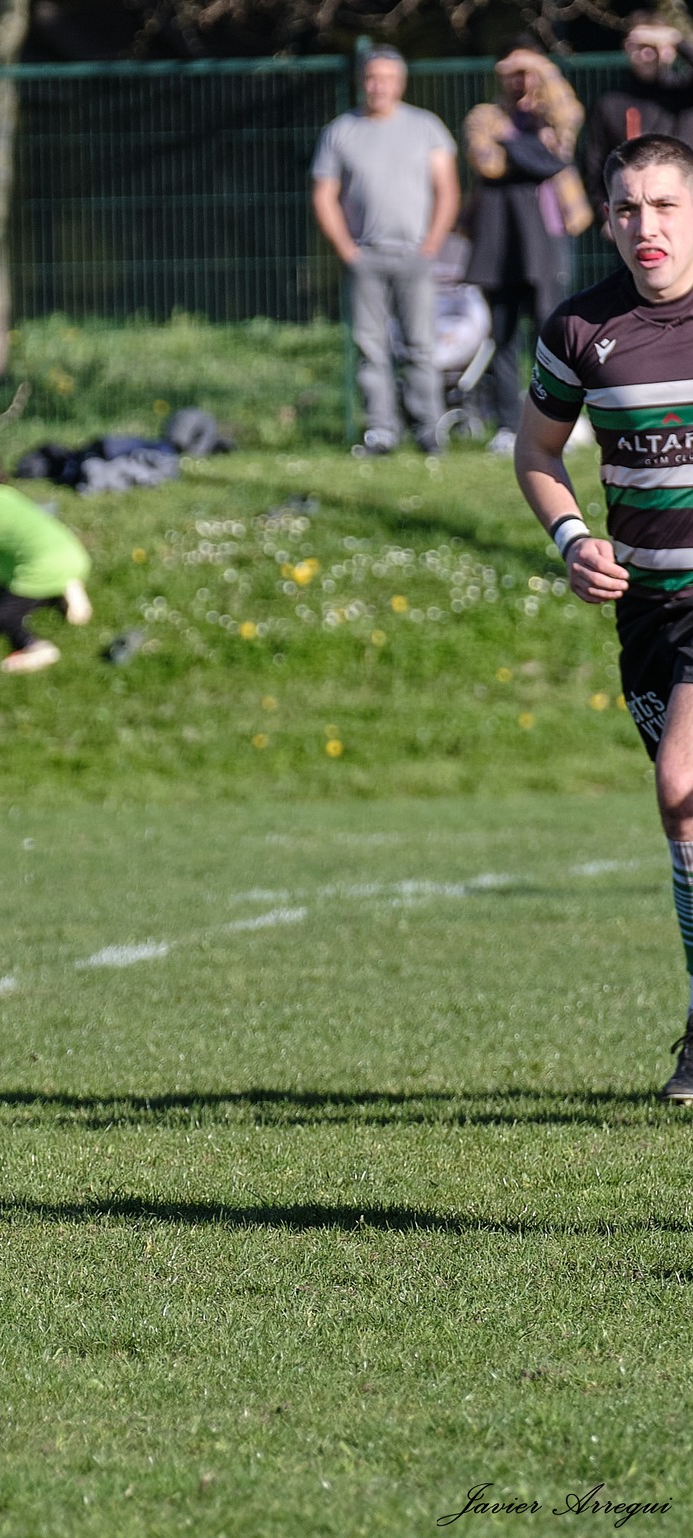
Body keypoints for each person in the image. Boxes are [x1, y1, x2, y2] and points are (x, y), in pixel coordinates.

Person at [515, 133, 693, 1105]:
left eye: (663, 205)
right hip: (648, 615)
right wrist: (573, 538)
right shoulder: (580, 328)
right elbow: (534, 453)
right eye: (626, 208)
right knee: (687, 825)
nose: (644, 226)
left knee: (679, 782)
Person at [312, 47, 460, 458]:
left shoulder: (425, 127)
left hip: (415, 254)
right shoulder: (341, 130)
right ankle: (381, 431)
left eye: (386, 78)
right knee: (370, 347)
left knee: (420, 346)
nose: (378, 86)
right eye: (371, 78)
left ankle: (429, 430)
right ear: (362, 81)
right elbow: (324, 195)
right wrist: (345, 248)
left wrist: (432, 243)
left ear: (401, 82)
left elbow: (447, 189)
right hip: (366, 256)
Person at [464, 46, 589, 458]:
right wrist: (535, 151)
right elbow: (490, 165)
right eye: (513, 73)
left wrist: (542, 71)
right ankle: (506, 422)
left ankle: (562, 421)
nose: (521, 81)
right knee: (503, 337)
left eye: (527, 73)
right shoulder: (485, 116)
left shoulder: (552, 117)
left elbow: (562, 143)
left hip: (547, 241)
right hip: (500, 243)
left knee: (552, 335)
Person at [0, 452, 92, 675]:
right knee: (27, 580)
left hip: (42, 569)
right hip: (74, 557)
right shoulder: (10, 495)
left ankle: (35, 646)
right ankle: (64, 590)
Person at [582, 12, 693, 208]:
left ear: (669, 50)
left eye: (652, 47)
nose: (646, 55)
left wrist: (675, 38)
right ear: (627, 48)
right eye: (640, 47)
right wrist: (603, 213)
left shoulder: (685, 94)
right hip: (635, 208)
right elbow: (594, 163)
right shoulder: (611, 103)